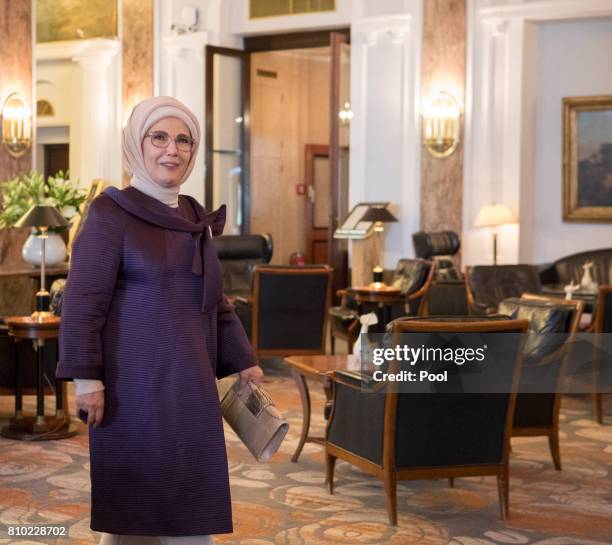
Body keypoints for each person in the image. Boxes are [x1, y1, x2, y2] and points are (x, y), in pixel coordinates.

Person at [56, 96, 263, 545]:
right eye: (160, 137)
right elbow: (82, 302)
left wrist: (244, 359)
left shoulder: (192, 214)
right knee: (134, 506)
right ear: (137, 144)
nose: (173, 149)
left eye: (184, 140)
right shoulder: (111, 213)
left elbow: (215, 300)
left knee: (187, 500)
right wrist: (87, 381)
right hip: (133, 388)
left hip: (190, 383)